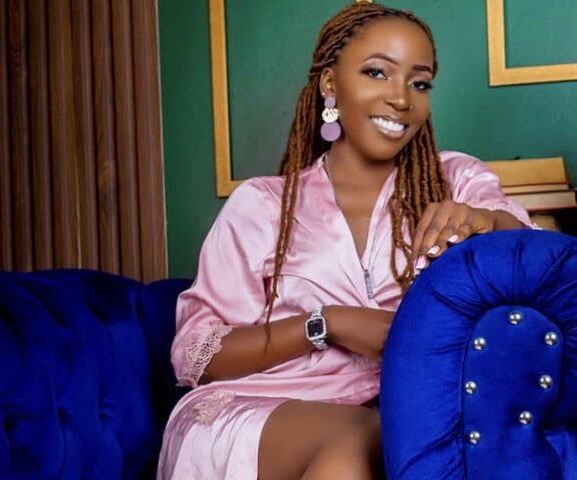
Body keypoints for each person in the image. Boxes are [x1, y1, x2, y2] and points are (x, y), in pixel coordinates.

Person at [157, 2, 533, 479]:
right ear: (330, 84)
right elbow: (196, 354)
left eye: (419, 83)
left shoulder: (455, 181)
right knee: (367, 437)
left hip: (406, 411)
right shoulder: (264, 205)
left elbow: (541, 264)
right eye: (377, 73)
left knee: (386, 433)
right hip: (258, 408)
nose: (402, 98)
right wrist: (329, 323)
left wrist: (486, 221)